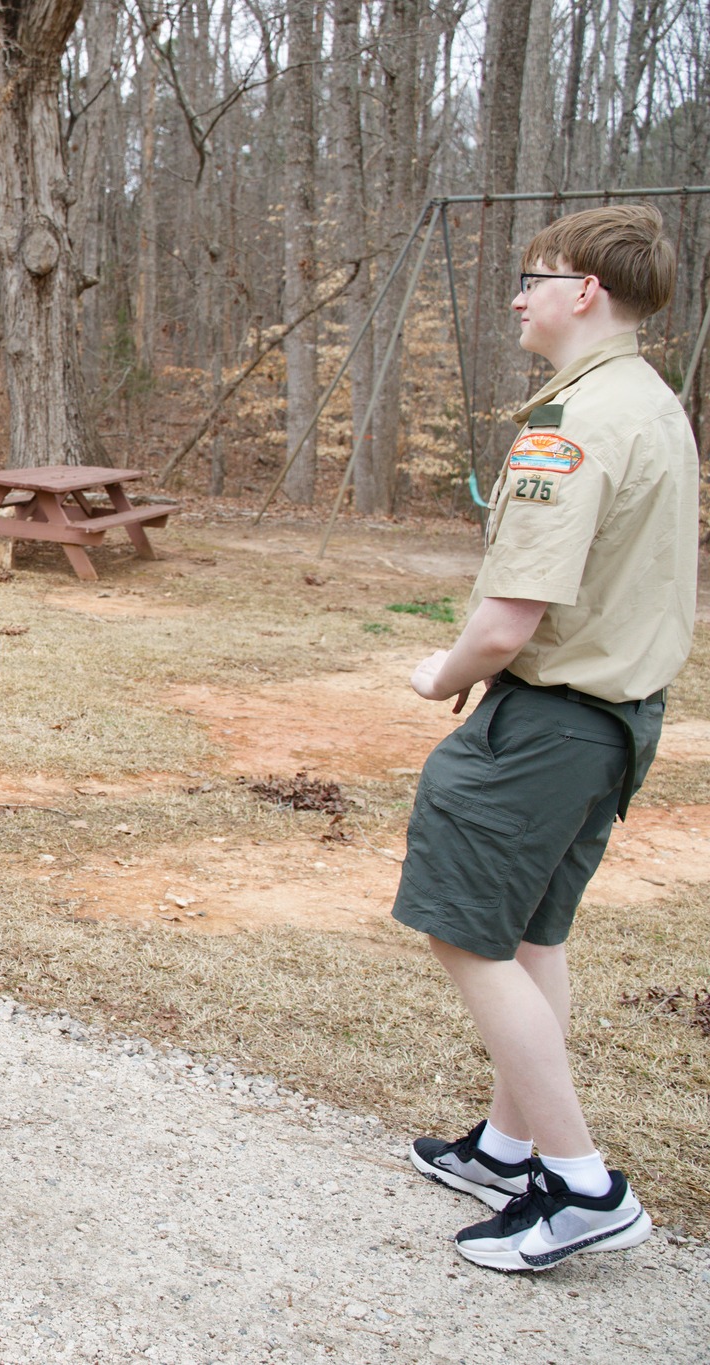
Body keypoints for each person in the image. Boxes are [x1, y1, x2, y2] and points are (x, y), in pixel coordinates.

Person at [398, 205, 695, 1272]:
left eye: (534, 277)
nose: (518, 295)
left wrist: (437, 673)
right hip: (616, 719)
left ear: (585, 293)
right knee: (532, 936)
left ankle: (578, 1185)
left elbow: (506, 619)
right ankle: (507, 1145)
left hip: (550, 720)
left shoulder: (571, 428)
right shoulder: (648, 401)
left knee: (461, 930)